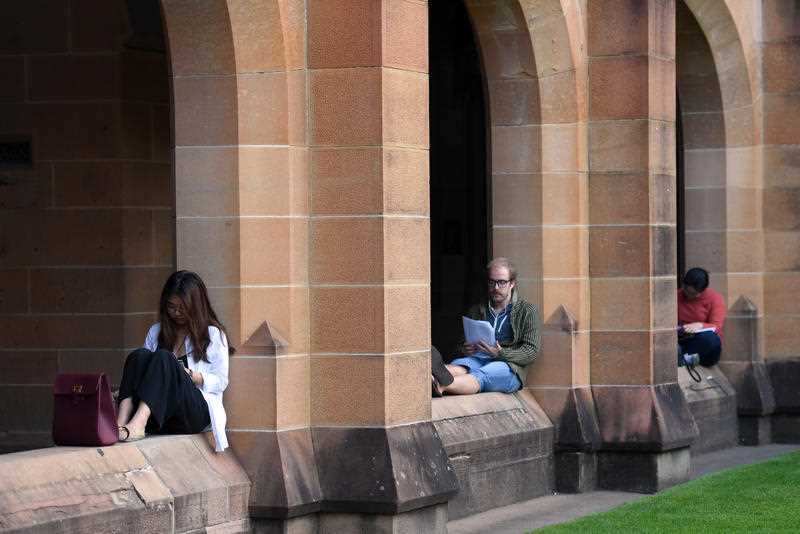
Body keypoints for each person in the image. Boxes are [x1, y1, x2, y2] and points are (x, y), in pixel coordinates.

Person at [116, 271, 232, 452]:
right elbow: (141, 370)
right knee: (138, 356)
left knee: (164, 357)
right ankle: (121, 423)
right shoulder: (156, 331)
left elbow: (221, 381)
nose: (176, 313)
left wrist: (194, 377)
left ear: (195, 306)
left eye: (182, 307)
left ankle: (138, 423)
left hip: (194, 412)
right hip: (163, 413)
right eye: (171, 307)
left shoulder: (213, 335)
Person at [432, 257, 541, 396]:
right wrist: (465, 349)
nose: (495, 288)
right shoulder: (476, 309)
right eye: (492, 282)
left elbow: (531, 351)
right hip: (477, 359)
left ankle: (441, 385)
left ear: (512, 283)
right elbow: (461, 344)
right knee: (460, 366)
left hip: (508, 367)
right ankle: (431, 376)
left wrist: (500, 353)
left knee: (483, 374)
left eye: (501, 282)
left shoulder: (527, 311)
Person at [677, 267, 726, 368]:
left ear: (702, 290)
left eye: (693, 294)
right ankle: (682, 359)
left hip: (703, 344)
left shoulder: (715, 299)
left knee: (711, 339)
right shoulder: (677, 295)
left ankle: (683, 359)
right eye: (686, 290)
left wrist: (700, 325)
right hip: (682, 339)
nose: (688, 295)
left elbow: (717, 326)